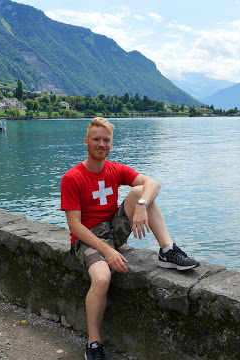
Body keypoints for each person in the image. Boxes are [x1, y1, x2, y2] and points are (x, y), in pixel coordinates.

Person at [60, 117, 199, 360]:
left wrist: (142, 205)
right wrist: (108, 251)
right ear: (86, 142)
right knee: (102, 278)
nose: (101, 144)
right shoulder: (73, 177)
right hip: (88, 237)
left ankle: (167, 250)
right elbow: (74, 225)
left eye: (106, 140)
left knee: (141, 191)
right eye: (96, 139)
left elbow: (153, 183)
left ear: (111, 144)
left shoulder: (114, 169)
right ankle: (94, 343)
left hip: (113, 228)